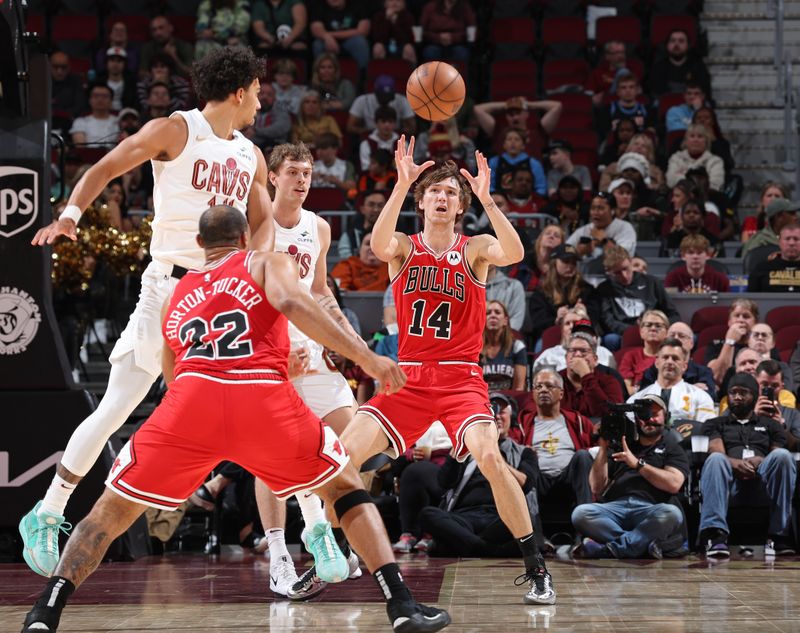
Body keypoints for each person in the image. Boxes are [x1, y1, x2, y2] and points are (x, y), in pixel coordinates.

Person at [19, 205, 451, 633]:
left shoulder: (177, 293)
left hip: (190, 404)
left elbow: (173, 375)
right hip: (259, 396)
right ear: (245, 239)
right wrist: (367, 358)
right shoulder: (265, 260)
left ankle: (45, 611)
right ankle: (401, 605)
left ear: (200, 244)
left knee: (109, 511)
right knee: (344, 489)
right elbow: (290, 300)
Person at [21, 46, 274, 579]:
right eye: (256, 88)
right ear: (237, 89)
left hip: (222, 298)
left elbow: (266, 222)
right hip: (168, 289)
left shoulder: (251, 154)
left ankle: (302, 536)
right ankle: (46, 511)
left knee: (263, 403)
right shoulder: (175, 130)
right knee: (116, 407)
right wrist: (69, 214)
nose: (260, 98)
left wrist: (261, 269)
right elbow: (108, 166)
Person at [337, 137, 557, 605]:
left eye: (452, 193)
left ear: (460, 205)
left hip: (460, 377)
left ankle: (536, 566)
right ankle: (338, 552)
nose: (443, 197)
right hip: (408, 377)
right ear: (423, 200)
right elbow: (377, 244)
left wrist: (487, 198)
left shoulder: (474, 247)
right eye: (435, 191)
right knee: (339, 460)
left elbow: (514, 253)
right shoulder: (403, 246)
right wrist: (399, 185)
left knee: (492, 460)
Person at [261, 142, 372, 598]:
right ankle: (278, 558)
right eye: (292, 171)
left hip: (314, 352)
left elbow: (322, 292)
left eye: (307, 172)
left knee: (349, 448)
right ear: (273, 177)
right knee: (269, 461)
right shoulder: (255, 225)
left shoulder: (319, 228)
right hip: (269, 352)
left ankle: (330, 535)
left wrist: (353, 341)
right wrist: (270, 355)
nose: (302, 180)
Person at [417, 391, 537, 558]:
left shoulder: (524, 452)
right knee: (428, 514)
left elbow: (526, 484)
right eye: (491, 411)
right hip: (464, 518)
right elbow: (444, 482)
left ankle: (463, 545)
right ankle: (488, 550)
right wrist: (460, 444)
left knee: (527, 520)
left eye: (501, 411)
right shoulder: (467, 448)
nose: (496, 416)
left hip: (501, 518)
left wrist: (494, 457)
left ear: (512, 417)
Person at [572, 394, 689, 559]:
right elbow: (596, 487)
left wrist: (637, 464)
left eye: (655, 414)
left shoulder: (671, 448)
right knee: (581, 513)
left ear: (666, 417)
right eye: (644, 415)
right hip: (615, 509)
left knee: (671, 513)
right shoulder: (622, 445)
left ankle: (609, 549)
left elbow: (674, 483)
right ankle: (639, 543)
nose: (649, 419)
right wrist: (604, 448)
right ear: (636, 419)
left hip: (650, 510)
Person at [698, 373, 796, 558]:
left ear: (755, 396)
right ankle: (715, 535)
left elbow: (777, 454)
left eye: (743, 393)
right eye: (733, 392)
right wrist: (734, 463)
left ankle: (778, 535)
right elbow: (715, 450)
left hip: (763, 482)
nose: (737, 397)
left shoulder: (771, 425)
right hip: (728, 484)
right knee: (716, 460)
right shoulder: (715, 424)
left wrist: (762, 460)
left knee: (783, 456)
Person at [518, 368, 595, 504]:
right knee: (527, 456)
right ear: (533, 393)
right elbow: (511, 450)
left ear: (561, 394)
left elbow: (595, 449)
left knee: (583, 455)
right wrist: (525, 453)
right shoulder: (522, 423)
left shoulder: (578, 421)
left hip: (570, 479)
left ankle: (587, 514)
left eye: (549, 386)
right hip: (537, 480)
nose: (543, 390)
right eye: (538, 386)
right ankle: (528, 523)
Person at [595, 245, 679, 350]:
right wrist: (635, 331)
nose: (624, 276)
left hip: (653, 328)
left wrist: (658, 327)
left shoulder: (652, 283)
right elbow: (608, 321)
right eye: (617, 273)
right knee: (611, 339)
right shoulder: (604, 289)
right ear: (609, 272)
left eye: (626, 269)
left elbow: (673, 314)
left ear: (630, 262)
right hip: (622, 332)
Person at [391, 421, 452, 553]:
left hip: (450, 465)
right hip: (423, 464)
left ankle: (427, 534)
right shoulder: (420, 414)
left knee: (415, 471)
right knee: (414, 472)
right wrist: (410, 454)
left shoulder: (456, 412)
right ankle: (411, 535)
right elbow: (400, 447)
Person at [628, 338, 716, 423]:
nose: (670, 362)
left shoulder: (701, 397)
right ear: (657, 363)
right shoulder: (637, 399)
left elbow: (706, 431)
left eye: (675, 358)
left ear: (684, 366)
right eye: (665, 357)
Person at [527, 243, 597, 344]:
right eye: (566, 261)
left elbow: (595, 316)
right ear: (554, 263)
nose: (570, 266)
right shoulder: (542, 292)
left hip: (582, 334)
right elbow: (538, 323)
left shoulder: (586, 289)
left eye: (573, 263)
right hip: (553, 336)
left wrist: (584, 314)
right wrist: (555, 320)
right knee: (541, 343)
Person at [639, 321, 716, 399]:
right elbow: (644, 397)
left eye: (681, 336)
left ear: (691, 343)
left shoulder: (703, 372)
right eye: (672, 335)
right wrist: (691, 390)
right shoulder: (653, 371)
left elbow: (708, 398)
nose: (676, 338)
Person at [558, 330, 624, 420]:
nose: (578, 355)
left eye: (583, 351)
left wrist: (585, 375)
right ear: (566, 358)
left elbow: (610, 416)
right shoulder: (554, 381)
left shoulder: (609, 382)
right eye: (572, 350)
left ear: (595, 359)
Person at [474, 95, 563, 159]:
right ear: (506, 117)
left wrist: (528, 105)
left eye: (518, 113)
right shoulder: (499, 132)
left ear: (527, 114)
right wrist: (507, 104)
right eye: (511, 114)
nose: (515, 117)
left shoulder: (537, 132)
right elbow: (478, 109)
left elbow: (557, 106)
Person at [566, 193, 637, 269]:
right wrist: (577, 251)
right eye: (593, 208)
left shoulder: (624, 228)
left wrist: (604, 241)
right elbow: (565, 249)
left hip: (616, 276)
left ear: (612, 211)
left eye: (601, 208)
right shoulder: (584, 230)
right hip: (586, 276)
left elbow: (623, 258)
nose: (595, 212)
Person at [534, 311, 615, 372]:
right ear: (562, 330)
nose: (571, 327)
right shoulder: (547, 356)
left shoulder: (605, 354)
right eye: (567, 323)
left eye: (576, 323)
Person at [705, 299, 759, 386]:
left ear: (755, 322)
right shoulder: (715, 346)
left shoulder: (761, 346)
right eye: (737, 316)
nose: (740, 320)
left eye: (746, 316)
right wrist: (730, 341)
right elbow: (716, 377)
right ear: (729, 322)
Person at [648, 28, 711, 98]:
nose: (676, 44)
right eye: (673, 41)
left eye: (681, 41)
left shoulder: (698, 67)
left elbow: (703, 92)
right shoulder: (658, 68)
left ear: (688, 45)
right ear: (667, 45)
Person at [619, 309, 670, 394]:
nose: (653, 328)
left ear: (667, 332)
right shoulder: (631, 356)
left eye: (658, 326)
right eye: (648, 325)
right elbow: (625, 387)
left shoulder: (670, 356)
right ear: (641, 331)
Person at [310, 0, 372, 70]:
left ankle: (362, 76)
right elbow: (315, 29)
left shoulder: (358, 4)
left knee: (360, 42)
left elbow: (363, 31)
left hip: (351, 39)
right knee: (318, 44)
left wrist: (329, 35)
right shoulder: (319, 5)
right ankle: (320, 76)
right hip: (327, 41)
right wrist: (326, 37)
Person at [480, 300, 528, 391]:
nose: (493, 315)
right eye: (488, 313)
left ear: (505, 320)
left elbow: (519, 388)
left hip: (508, 401)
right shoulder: (475, 348)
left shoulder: (517, 347)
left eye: (497, 313)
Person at [348, 74, 416, 136]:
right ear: (376, 93)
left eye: (388, 96)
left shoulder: (402, 100)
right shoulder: (362, 100)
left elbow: (412, 127)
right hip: (370, 136)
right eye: (383, 96)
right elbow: (350, 127)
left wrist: (400, 133)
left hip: (394, 137)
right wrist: (366, 133)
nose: (385, 99)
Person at [488, 127, 547, 197]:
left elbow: (541, 188)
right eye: (509, 139)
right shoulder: (494, 162)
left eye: (517, 139)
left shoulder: (534, 164)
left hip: (527, 201)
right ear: (504, 144)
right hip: (500, 201)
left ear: (523, 145)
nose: (513, 142)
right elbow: (489, 186)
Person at [666, 124, 725, 191]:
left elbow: (715, 185)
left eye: (700, 136)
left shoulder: (716, 161)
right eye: (692, 136)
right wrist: (701, 180)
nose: (695, 140)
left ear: (706, 141)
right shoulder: (676, 158)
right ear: (686, 141)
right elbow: (670, 182)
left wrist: (682, 175)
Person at [587, 39, 644, 107]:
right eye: (616, 53)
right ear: (607, 56)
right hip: (606, 107)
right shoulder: (597, 73)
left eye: (622, 52)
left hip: (631, 106)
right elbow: (588, 95)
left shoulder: (634, 68)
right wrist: (593, 99)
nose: (620, 56)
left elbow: (640, 91)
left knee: (623, 72)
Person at [664, 234, 729, 293]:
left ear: (707, 255)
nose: (695, 256)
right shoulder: (672, 278)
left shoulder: (720, 279)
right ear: (683, 256)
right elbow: (668, 303)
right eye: (690, 253)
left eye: (699, 253)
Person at [748, 221, 800, 292]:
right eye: (787, 239)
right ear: (779, 242)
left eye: (796, 239)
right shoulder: (761, 268)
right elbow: (750, 299)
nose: (791, 243)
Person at [245, 80, 291, 152]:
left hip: (274, 150)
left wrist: (256, 131)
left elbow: (278, 129)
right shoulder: (247, 111)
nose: (265, 97)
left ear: (274, 98)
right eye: (261, 93)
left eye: (269, 94)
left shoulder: (281, 112)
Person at [70, 84, 119, 149]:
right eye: (96, 96)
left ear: (111, 101)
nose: (100, 99)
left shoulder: (119, 121)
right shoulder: (80, 122)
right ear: (89, 100)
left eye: (105, 96)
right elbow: (81, 148)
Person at [371, 0, 417, 65]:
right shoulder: (378, 16)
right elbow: (378, 38)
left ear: (404, 4)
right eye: (391, 0)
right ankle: (379, 73)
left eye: (398, 1)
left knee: (409, 48)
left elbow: (409, 39)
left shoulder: (409, 17)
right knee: (377, 47)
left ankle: (412, 74)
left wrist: (394, 22)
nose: (394, 3)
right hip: (385, 45)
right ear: (385, 3)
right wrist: (387, 19)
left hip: (402, 46)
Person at [97, 46, 138, 112]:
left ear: (125, 64)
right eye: (112, 60)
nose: (115, 64)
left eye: (119, 61)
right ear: (106, 63)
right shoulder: (99, 82)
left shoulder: (131, 83)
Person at [359, 105, 400, 171]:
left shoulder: (402, 144)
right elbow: (366, 168)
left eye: (390, 121)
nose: (387, 125)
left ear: (395, 124)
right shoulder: (366, 144)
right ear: (376, 123)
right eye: (383, 121)